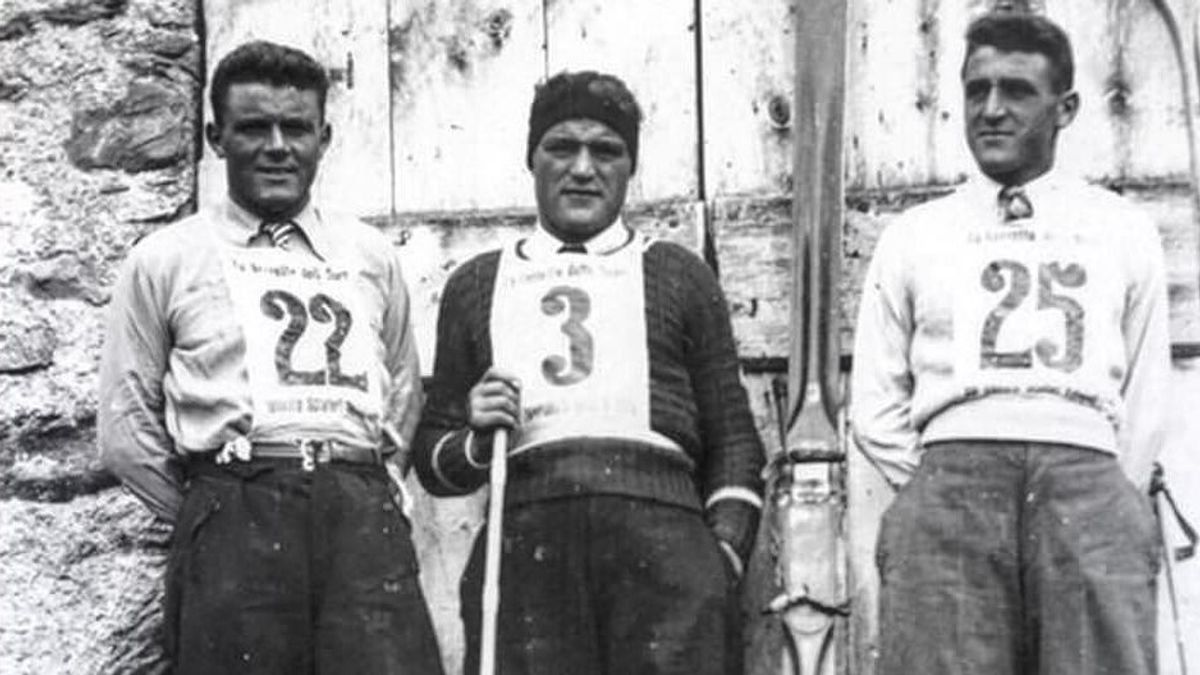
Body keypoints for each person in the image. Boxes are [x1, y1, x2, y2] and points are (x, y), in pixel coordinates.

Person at [98, 40, 443, 674]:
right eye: (254, 128)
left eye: (297, 128)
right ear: (215, 137)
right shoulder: (167, 259)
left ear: (324, 136)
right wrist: (214, 510)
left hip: (359, 517)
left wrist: (367, 482)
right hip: (236, 514)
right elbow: (125, 430)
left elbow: (401, 387)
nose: (278, 146)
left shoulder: (369, 254)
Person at [413, 70, 765, 675]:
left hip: (664, 542)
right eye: (561, 148)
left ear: (630, 167)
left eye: (605, 151)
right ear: (532, 160)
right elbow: (432, 459)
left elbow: (735, 439)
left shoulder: (678, 273)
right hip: (527, 547)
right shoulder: (477, 283)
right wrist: (475, 437)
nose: (582, 169)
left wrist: (721, 555)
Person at [851, 11, 1169, 675]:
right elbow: (875, 401)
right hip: (949, 489)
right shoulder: (918, 233)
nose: (992, 110)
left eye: (1018, 91)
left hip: (1086, 486)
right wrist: (944, 478)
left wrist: (1105, 485)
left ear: (1066, 107)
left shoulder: (1119, 228)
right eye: (977, 90)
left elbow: (1143, 392)